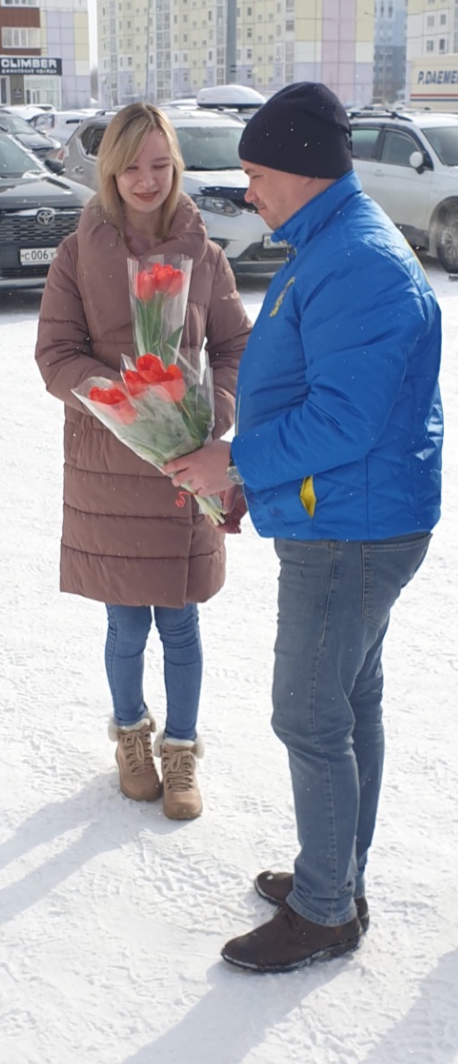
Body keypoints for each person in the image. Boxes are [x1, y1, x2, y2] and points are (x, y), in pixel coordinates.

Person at [167, 82, 443, 971]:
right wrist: (255, 476)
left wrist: (236, 461)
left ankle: (326, 910)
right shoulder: (331, 243)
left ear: (304, 168)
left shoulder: (358, 262)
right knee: (349, 702)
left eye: (257, 174)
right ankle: (336, 876)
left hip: (351, 529)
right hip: (347, 512)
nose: (249, 191)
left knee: (311, 714)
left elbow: (345, 421)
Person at [35, 103, 252, 820]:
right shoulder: (77, 254)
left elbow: (235, 347)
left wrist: (210, 412)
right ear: (110, 171)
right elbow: (56, 354)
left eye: (161, 164)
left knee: (181, 624)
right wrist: (126, 401)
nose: (147, 179)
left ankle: (181, 749)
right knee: (127, 624)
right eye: (132, 166)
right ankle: (131, 736)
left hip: (183, 464)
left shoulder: (206, 256)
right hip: (110, 463)